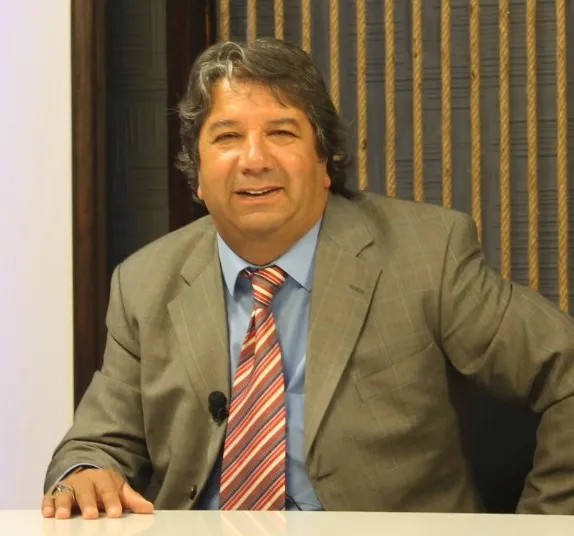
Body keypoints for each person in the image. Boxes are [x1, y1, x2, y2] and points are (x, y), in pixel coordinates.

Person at [42, 37, 574, 519]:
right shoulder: (144, 283)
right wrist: (83, 473)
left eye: (281, 133)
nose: (254, 159)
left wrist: (545, 527)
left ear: (324, 162)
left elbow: (565, 369)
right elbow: (97, 442)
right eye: (227, 136)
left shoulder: (426, 255)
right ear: (196, 174)